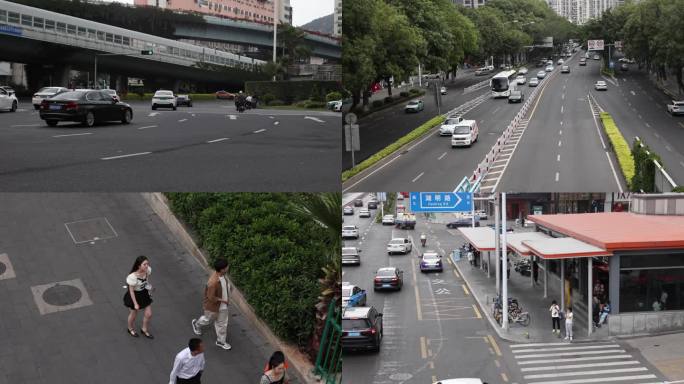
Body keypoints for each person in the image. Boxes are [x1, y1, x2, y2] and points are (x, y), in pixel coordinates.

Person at [191, 259, 232, 350]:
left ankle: (221, 341)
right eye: (227, 267)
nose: (228, 268)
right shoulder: (213, 282)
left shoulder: (223, 276)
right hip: (213, 307)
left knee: (222, 324)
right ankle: (197, 324)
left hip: (223, 307)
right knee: (207, 320)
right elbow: (211, 297)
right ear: (222, 269)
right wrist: (223, 300)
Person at [124, 255, 154, 338]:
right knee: (133, 314)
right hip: (135, 296)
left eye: (147, 263)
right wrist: (135, 303)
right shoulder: (132, 277)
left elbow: (146, 280)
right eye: (144, 264)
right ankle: (130, 328)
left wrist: (148, 287)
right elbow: (131, 291)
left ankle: (144, 329)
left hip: (144, 293)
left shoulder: (147, 270)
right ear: (139, 266)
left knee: (149, 314)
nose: (147, 266)